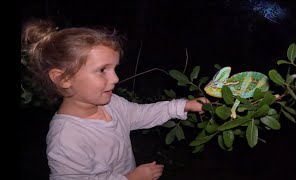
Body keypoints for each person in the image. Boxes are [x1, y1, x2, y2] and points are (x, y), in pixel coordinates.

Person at [21, 18, 209, 180]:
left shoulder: (112, 103)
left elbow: (141, 114)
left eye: (114, 69)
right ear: (64, 79)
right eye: (102, 70)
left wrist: (184, 105)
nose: (116, 79)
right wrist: (130, 178)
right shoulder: (67, 138)